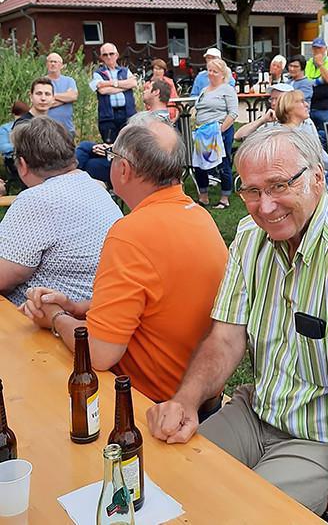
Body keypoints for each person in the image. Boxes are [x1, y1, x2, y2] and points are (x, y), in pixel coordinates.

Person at [145, 126, 328, 521]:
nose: (264, 206)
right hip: (262, 412)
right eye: (251, 191)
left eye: (278, 186)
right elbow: (225, 337)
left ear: (318, 178)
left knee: (235, 513)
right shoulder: (251, 236)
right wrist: (186, 401)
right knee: (160, 474)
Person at [20, 113, 229, 405]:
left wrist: (56, 318)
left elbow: (99, 353)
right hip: (200, 393)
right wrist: (78, 307)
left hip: (150, 404)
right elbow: (161, 301)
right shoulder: (198, 216)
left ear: (124, 169)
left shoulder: (131, 233)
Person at [0, 117, 120, 305]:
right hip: (101, 307)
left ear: (22, 165)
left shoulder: (38, 199)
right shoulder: (93, 185)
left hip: (55, 320)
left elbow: (4, 278)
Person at [77, 84, 174, 185]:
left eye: (148, 89)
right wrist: (110, 148)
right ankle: (69, 179)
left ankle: (67, 180)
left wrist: (111, 151)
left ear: (156, 92)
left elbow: (142, 151)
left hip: (133, 166)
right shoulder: (159, 118)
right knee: (86, 147)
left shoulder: (154, 122)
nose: (143, 91)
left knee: (89, 163)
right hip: (123, 156)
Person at [275, 89, 328, 198]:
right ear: (289, 107)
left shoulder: (305, 125)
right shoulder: (289, 136)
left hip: (315, 175)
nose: (307, 104)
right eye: (301, 101)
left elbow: (318, 152)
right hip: (304, 185)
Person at [193, 57, 238, 209]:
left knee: (222, 163)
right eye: (209, 70)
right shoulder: (204, 90)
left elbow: (233, 113)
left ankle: (225, 197)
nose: (211, 74)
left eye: (215, 71)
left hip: (219, 131)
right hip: (202, 132)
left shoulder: (227, 90)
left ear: (222, 73)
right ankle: (203, 196)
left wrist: (220, 130)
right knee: (199, 164)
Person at [89, 43, 138, 143]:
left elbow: (133, 83)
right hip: (108, 116)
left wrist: (112, 84)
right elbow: (102, 90)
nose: (109, 57)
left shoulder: (125, 71)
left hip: (128, 114)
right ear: (101, 57)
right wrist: (124, 86)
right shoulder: (98, 73)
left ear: (117, 55)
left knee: (129, 144)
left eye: (111, 53)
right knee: (110, 146)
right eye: (105, 55)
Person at [305, 37, 328, 139]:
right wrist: (318, 81)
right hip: (308, 106)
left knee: (326, 136)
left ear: (325, 49)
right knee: (308, 136)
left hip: (324, 108)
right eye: (315, 48)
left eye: (320, 48)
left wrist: (320, 65)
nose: (317, 51)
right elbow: (303, 80)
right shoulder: (307, 63)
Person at [45, 52, 78, 134]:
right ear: (46, 64)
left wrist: (52, 95)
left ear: (61, 65)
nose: (53, 64)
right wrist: (66, 98)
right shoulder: (42, 82)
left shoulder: (69, 81)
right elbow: (44, 103)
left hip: (67, 129)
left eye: (55, 62)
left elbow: (73, 97)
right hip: (47, 129)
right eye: (50, 61)